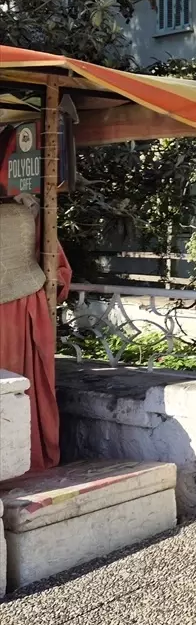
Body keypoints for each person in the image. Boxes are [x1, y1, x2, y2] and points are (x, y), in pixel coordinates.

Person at [0, 194, 72, 472]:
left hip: (24, 304)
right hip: (26, 303)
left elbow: (58, 268)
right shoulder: (26, 209)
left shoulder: (26, 207)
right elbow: (59, 272)